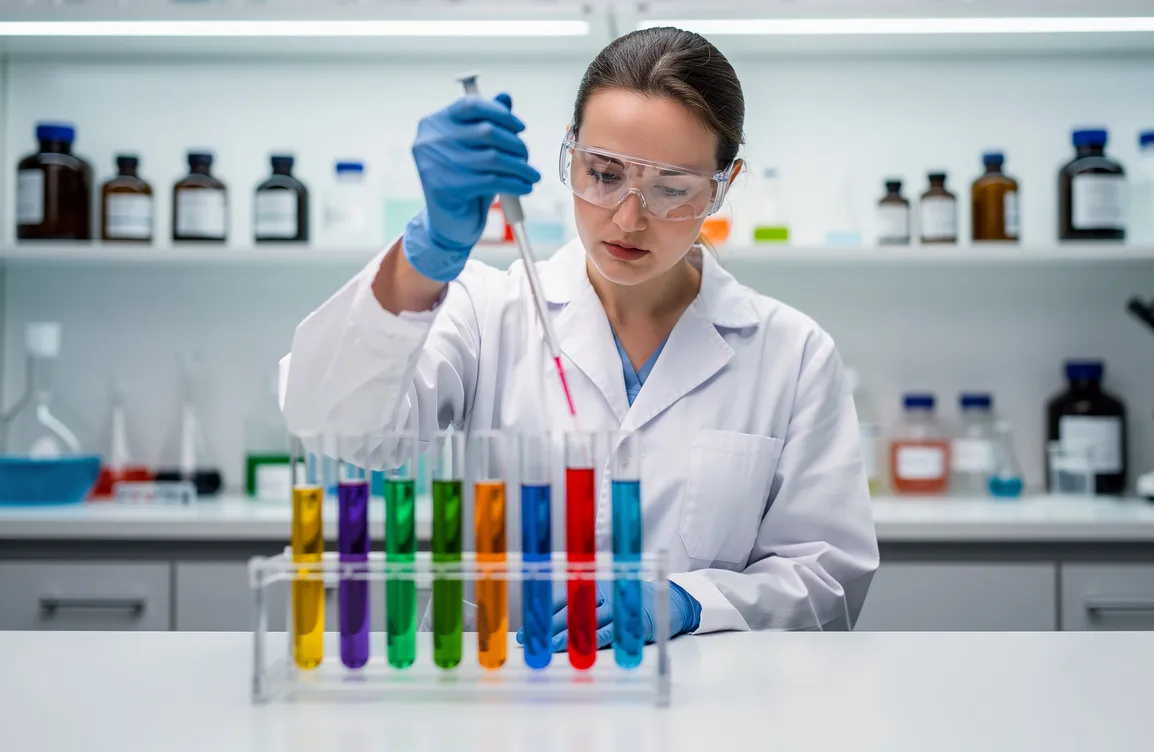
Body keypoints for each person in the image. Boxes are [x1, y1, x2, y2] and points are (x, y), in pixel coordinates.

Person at [281, 27, 878, 647]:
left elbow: (828, 579)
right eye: (603, 173)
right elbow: (334, 422)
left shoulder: (792, 354)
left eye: (672, 189)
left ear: (722, 186)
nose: (626, 217)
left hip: (700, 711)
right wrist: (423, 257)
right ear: (571, 152)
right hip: (496, 703)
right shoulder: (487, 312)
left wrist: (693, 602)